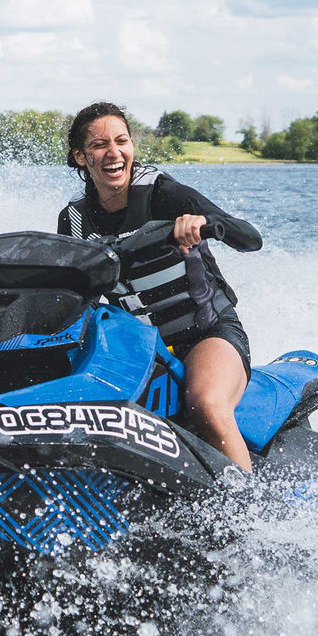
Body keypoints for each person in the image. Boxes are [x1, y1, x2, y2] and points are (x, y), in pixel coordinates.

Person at [57, 101, 264, 472]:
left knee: (207, 404)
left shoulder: (165, 194)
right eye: (100, 145)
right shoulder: (73, 221)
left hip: (208, 334)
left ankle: (250, 518)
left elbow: (251, 239)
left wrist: (205, 222)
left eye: (122, 141)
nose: (113, 152)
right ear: (80, 157)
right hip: (140, 352)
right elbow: (70, 299)